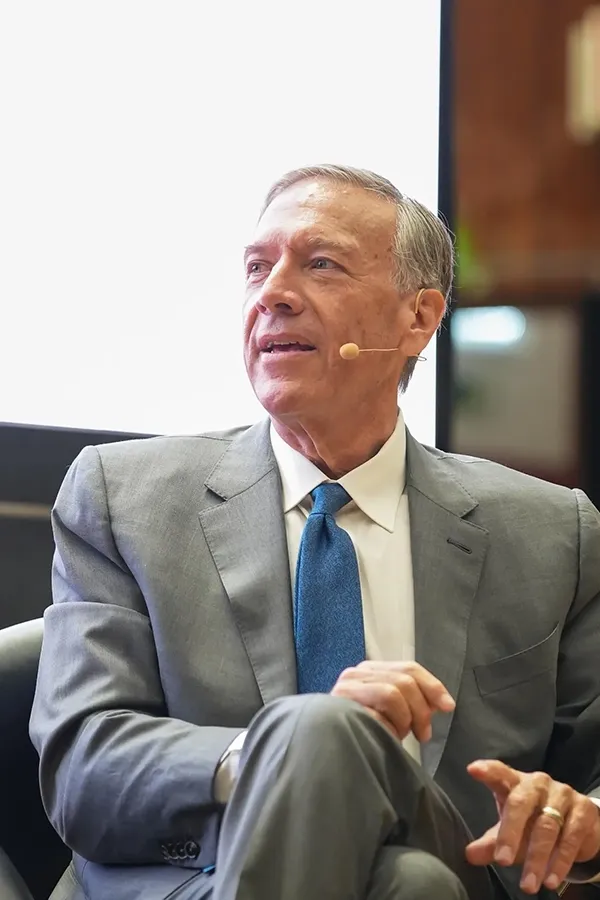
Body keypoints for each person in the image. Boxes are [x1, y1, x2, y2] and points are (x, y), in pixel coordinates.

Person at [31, 165, 600, 900]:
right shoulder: (122, 498)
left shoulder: (553, 533)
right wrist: (289, 752)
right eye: (258, 267)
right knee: (402, 869)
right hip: (197, 882)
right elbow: (85, 767)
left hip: (465, 863)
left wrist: (581, 819)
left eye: (321, 264)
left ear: (419, 318)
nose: (272, 294)